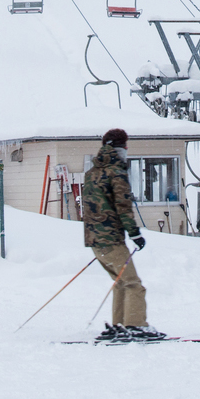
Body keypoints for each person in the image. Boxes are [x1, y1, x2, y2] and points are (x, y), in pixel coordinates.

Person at [81, 128, 160, 341]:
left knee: (121, 282)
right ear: (121, 147)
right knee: (133, 284)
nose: (127, 149)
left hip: (95, 240)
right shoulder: (116, 171)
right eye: (126, 145)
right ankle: (136, 325)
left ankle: (120, 324)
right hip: (112, 239)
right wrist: (135, 234)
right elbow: (123, 206)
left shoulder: (92, 173)